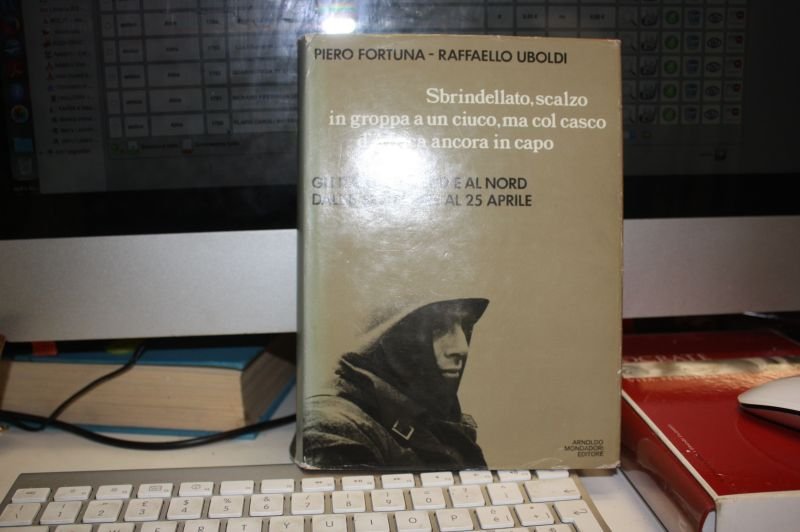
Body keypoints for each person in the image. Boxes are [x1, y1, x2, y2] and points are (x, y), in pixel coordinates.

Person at [300, 298, 490, 468]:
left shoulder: (432, 420)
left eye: (465, 326)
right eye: (438, 328)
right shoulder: (333, 425)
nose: (462, 348)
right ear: (396, 336)